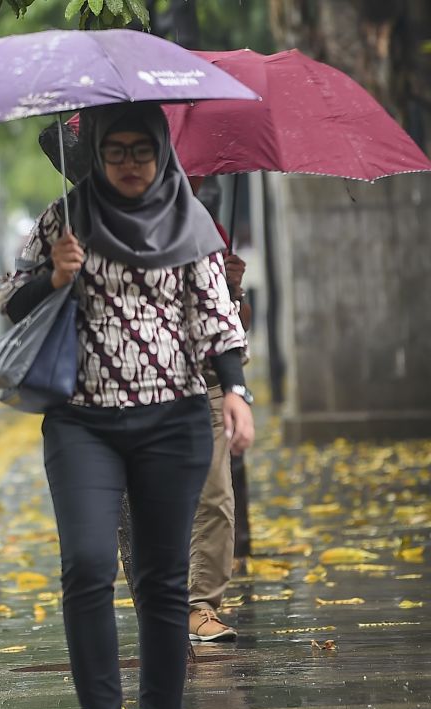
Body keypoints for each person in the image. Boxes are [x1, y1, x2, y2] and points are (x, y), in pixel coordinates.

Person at [4, 103, 254, 709]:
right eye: (114, 152)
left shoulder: (189, 219)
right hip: (82, 419)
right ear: (96, 158)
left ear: (159, 152)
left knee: (162, 577)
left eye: (140, 151)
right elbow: (8, 298)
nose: (129, 165)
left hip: (170, 419)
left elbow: (214, 316)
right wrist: (54, 275)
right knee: (87, 565)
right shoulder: (65, 218)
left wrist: (234, 391)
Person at [187, 176, 255, 643]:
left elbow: (233, 324)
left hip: (207, 382)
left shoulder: (207, 227)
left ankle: (200, 606)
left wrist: (235, 288)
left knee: (216, 498)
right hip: (140, 389)